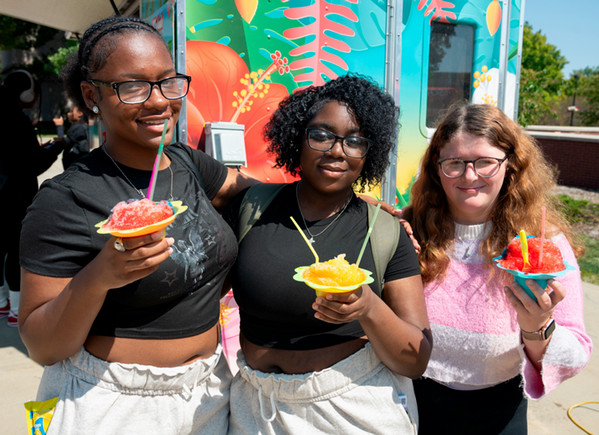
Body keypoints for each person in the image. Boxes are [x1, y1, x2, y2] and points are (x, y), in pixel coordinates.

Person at [18, 16, 257, 434]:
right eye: (132, 87)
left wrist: (349, 203)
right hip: (108, 402)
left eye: (169, 82)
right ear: (93, 96)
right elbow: (41, 345)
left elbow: (257, 193)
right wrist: (99, 277)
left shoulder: (188, 163)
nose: (159, 101)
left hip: (208, 393)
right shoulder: (63, 199)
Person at [223, 74, 432, 434]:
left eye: (355, 142)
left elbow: (416, 359)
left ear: (370, 153)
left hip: (350, 410)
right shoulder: (251, 208)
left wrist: (368, 307)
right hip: (255, 408)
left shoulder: (384, 232)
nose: (337, 150)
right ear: (297, 139)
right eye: (321, 135)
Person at [401, 103, 593, 434]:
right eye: (454, 163)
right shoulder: (409, 232)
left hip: (499, 416)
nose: (469, 175)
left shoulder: (544, 245)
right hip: (412, 408)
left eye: (485, 162)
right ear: (436, 167)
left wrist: (537, 326)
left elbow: (575, 353)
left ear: (511, 166)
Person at [0, 69, 65, 327]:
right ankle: (16, 309)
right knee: (17, 250)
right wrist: (55, 148)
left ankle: (2, 303)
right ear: (26, 93)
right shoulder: (18, 121)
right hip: (15, 197)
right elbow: (31, 164)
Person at [53, 104, 92, 169]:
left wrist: (59, 126)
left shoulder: (79, 128)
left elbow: (63, 143)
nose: (68, 114)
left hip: (75, 167)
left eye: (71, 111)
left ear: (80, 113)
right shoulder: (81, 127)